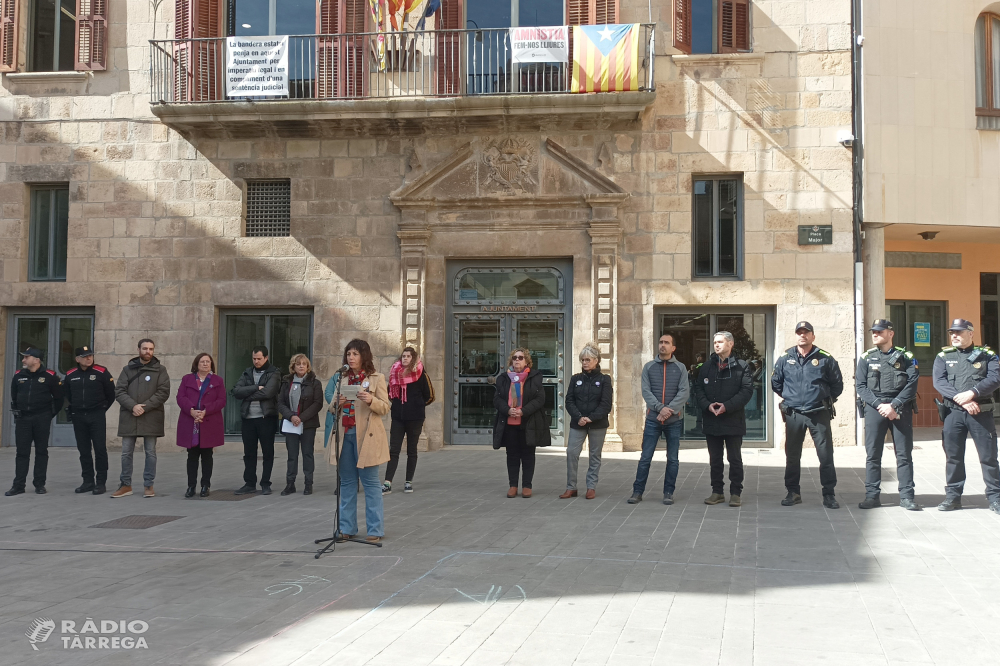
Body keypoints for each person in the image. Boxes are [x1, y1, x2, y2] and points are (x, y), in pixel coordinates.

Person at [771, 321, 844, 509]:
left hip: (818, 413)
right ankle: (793, 492)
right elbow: (776, 383)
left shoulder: (826, 358)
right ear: (795, 336)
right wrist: (793, 399)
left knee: (825, 455)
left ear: (813, 336)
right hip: (794, 414)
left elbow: (837, 385)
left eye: (806, 332)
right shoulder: (785, 358)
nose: (802, 335)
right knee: (792, 456)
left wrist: (822, 400)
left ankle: (829, 494)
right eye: (799, 332)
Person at [932, 318, 1000, 513]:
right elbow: (939, 382)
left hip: (980, 413)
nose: (954, 335)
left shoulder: (987, 356)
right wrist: (961, 399)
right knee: (953, 457)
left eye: (959, 332)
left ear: (971, 334)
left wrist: (973, 393)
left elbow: (995, 378)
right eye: (952, 332)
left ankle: (995, 498)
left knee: (988, 457)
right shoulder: (943, 356)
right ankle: (953, 497)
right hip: (953, 413)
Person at [856, 319, 921, 511]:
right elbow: (860, 386)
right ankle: (872, 496)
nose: (875, 334)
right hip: (875, 409)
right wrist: (879, 405)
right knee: (873, 455)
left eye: (879, 331)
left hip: (900, 408)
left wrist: (894, 405)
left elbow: (912, 384)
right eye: (873, 332)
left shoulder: (906, 357)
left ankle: (907, 496)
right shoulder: (866, 357)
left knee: (903, 455)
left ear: (890, 334)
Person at [331, 339, 389, 542]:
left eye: (355, 354)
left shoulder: (376, 378)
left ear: (364, 356)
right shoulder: (342, 378)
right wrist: (337, 403)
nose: (351, 358)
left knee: (371, 483)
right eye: (348, 354)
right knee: (347, 482)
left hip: (367, 437)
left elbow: (385, 407)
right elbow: (331, 407)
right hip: (345, 434)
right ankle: (347, 528)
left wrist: (371, 400)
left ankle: (375, 529)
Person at [692, 332, 754, 508]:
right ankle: (717, 492)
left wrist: (727, 406)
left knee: (734, 459)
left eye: (720, 342)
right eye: (714, 342)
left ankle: (736, 493)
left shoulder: (742, 366)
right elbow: (698, 389)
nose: (716, 345)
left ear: (731, 344)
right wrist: (707, 406)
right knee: (715, 459)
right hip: (712, 420)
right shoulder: (706, 367)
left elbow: (746, 391)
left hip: (733, 420)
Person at [628, 332, 689, 505]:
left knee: (673, 458)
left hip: (674, 421)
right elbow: (646, 391)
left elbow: (684, 392)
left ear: (673, 347)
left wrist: (669, 411)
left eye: (667, 343)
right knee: (645, 457)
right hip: (653, 420)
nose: (663, 345)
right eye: (661, 342)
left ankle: (668, 492)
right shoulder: (648, 367)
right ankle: (637, 492)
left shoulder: (681, 368)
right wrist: (661, 409)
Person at [112, 339, 170, 499]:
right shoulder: (127, 370)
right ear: (138, 349)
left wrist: (144, 407)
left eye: (151, 349)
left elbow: (163, 392)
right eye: (145, 348)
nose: (148, 352)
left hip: (151, 416)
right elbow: (119, 391)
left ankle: (148, 485)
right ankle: (125, 485)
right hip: (129, 416)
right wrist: (133, 406)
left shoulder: (161, 370)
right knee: (126, 452)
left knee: (150, 452)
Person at [492, 347, 551, 498]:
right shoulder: (503, 378)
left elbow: (540, 399)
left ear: (526, 361)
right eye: (515, 358)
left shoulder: (534, 377)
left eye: (520, 358)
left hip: (528, 422)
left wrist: (523, 410)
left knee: (528, 455)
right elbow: (497, 399)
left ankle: (527, 486)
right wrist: (507, 410)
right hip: (510, 422)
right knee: (512, 455)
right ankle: (513, 485)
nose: (517, 360)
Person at [5, 347, 63, 496]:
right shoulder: (19, 375)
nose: (23, 360)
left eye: (26, 357)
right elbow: (14, 395)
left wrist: (48, 414)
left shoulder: (50, 376)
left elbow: (58, 399)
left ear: (36, 360)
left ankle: (39, 484)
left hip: (41, 418)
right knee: (22, 452)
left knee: (41, 451)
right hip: (23, 419)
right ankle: (18, 485)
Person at [562, 343, 612, 499]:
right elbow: (569, 400)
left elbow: (606, 404)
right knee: (571, 452)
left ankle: (591, 487)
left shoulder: (604, 379)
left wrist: (590, 418)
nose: (584, 362)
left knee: (594, 455)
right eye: (582, 360)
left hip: (597, 424)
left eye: (588, 359)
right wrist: (579, 417)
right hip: (578, 423)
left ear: (596, 360)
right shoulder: (576, 378)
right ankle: (571, 487)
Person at [64, 346, 115, 495]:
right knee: (84, 450)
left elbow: (111, 394)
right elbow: (67, 395)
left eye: (90, 355)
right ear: (77, 359)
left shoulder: (101, 372)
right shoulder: (70, 374)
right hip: (79, 416)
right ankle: (87, 481)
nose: (89, 358)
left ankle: (100, 482)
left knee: (100, 449)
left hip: (96, 415)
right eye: (85, 356)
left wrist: (101, 409)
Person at [231, 346, 281, 496]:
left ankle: (266, 483)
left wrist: (248, 394)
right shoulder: (247, 372)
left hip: (266, 418)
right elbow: (236, 390)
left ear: (266, 358)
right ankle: (249, 483)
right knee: (249, 453)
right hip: (248, 418)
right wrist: (255, 387)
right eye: (254, 358)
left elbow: (268, 392)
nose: (256, 361)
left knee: (267, 452)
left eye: (259, 358)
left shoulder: (274, 372)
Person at [176, 353, 227, 498]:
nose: (205, 364)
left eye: (208, 362)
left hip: (208, 421)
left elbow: (221, 400)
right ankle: (191, 486)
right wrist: (191, 410)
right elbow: (180, 397)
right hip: (190, 421)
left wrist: (206, 411)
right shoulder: (187, 379)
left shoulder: (217, 380)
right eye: (202, 361)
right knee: (192, 455)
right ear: (196, 364)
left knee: (207, 455)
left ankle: (206, 485)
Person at [383, 346, 431, 495]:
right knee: (394, 449)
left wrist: (416, 404)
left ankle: (408, 481)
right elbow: (389, 392)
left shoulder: (420, 373)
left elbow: (428, 394)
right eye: (403, 356)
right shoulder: (394, 373)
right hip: (398, 417)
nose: (405, 358)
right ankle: (387, 482)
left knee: (412, 450)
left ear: (413, 359)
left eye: (408, 356)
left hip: (415, 417)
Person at [277, 354, 324, 496]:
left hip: (308, 424)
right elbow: (280, 402)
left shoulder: (315, 383)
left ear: (308, 366)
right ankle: (290, 484)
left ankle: (308, 484)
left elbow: (317, 404)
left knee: (307, 454)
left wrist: (301, 418)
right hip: (291, 424)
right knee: (292, 455)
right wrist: (291, 416)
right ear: (293, 366)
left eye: (304, 364)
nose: (301, 366)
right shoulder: (286, 382)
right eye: (298, 364)